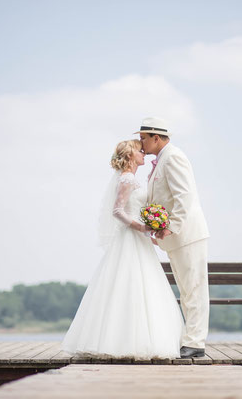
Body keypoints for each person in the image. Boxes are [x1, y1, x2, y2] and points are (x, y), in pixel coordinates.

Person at [62, 139, 183, 360]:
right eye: (140, 151)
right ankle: (125, 341)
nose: (143, 153)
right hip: (130, 237)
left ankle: (134, 340)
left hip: (139, 238)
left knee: (141, 284)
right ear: (130, 156)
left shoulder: (131, 179)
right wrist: (141, 226)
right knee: (130, 284)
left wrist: (150, 230)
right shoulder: (127, 179)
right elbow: (117, 211)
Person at [137, 117, 210, 359]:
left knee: (194, 289)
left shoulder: (174, 157)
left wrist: (171, 226)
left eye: (143, 138)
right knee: (186, 291)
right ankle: (190, 339)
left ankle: (196, 343)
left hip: (187, 235)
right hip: (176, 239)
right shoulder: (162, 161)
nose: (141, 142)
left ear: (156, 138)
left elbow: (185, 197)